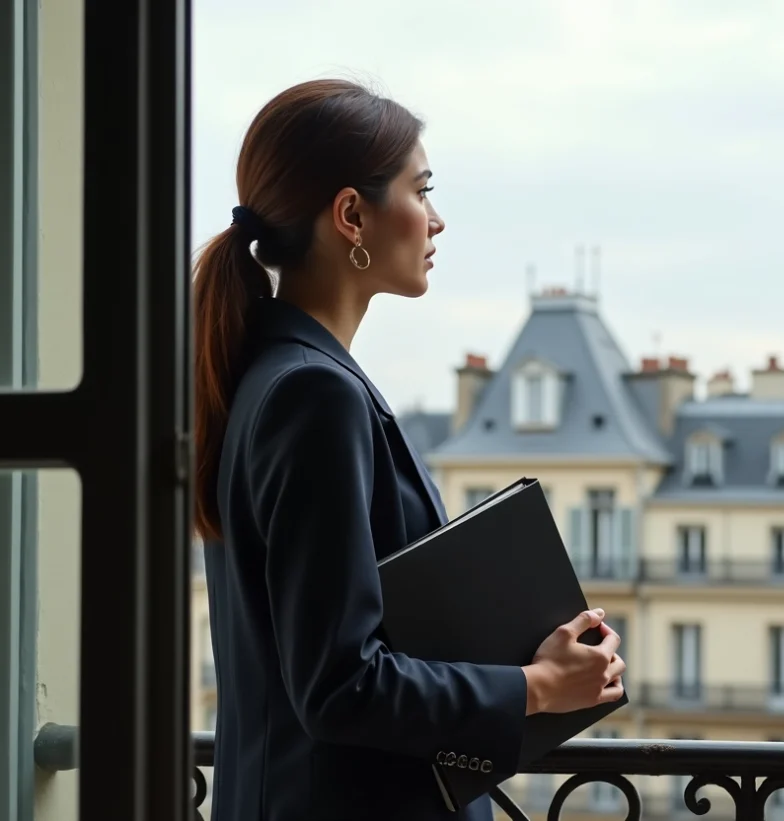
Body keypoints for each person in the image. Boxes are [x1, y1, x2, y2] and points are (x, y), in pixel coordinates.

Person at [192, 79, 626, 821]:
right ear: (351, 215)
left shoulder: (270, 373)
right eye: (421, 190)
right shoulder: (314, 394)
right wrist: (539, 684)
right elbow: (340, 684)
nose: (437, 219)